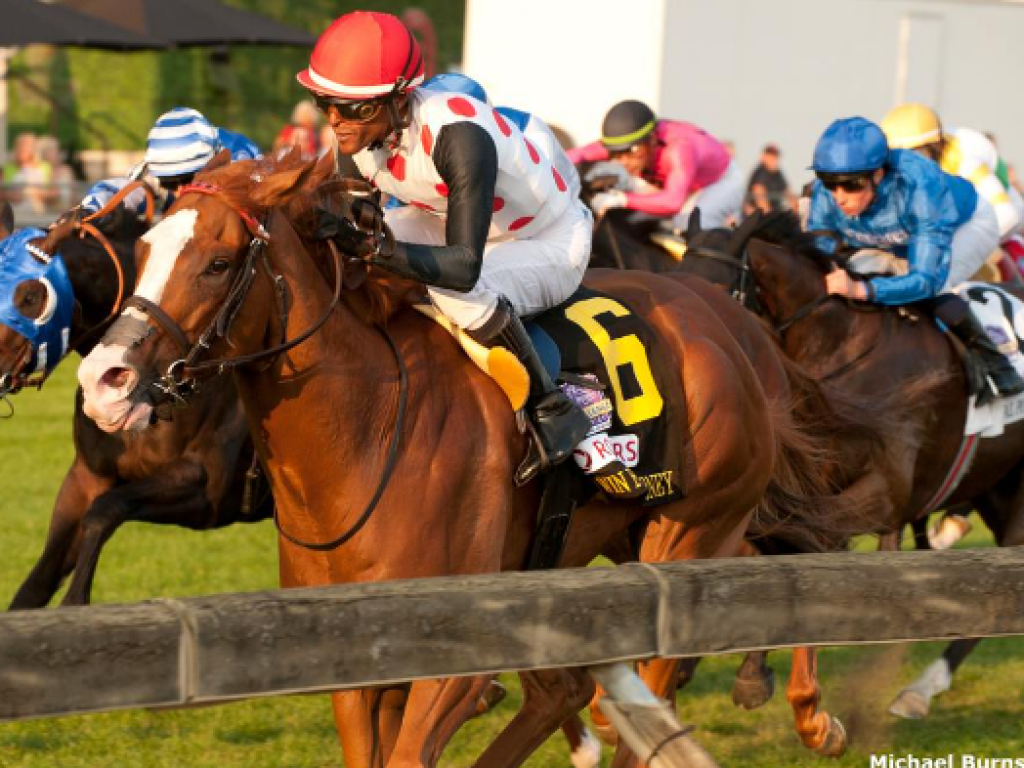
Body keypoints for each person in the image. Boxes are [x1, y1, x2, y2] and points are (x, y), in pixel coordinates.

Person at [297, 10, 592, 484]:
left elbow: (462, 268)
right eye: (323, 102)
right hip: (458, 222)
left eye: (354, 108)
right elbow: (354, 223)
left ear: (399, 99)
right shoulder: (356, 136)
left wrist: (369, 247)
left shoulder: (458, 134)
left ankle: (551, 407)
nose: (336, 120)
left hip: (548, 241)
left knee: (452, 293)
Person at [806, 116, 1024, 401]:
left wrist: (863, 289)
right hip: (902, 234)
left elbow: (923, 280)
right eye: (830, 183)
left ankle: (996, 365)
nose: (839, 197)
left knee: (932, 287)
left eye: (851, 185)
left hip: (967, 225)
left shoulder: (921, 188)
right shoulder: (827, 194)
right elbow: (818, 255)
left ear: (878, 174)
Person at [565, 100, 742, 229]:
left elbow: (673, 203)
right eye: (617, 153)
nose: (624, 161)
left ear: (651, 139)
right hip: (680, 186)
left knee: (685, 222)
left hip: (719, 183)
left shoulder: (679, 148)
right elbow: (576, 155)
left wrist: (622, 199)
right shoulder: (631, 144)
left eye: (633, 151)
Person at [81, 107, 261, 219]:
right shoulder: (152, 173)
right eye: (170, 183)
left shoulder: (244, 161)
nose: (180, 191)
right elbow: (119, 191)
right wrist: (87, 210)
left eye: (187, 179)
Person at [881, 104, 1024, 243]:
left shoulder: (966, 160)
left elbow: (1007, 217)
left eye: (911, 153)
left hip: (1004, 212)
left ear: (934, 146)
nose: (904, 163)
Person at [745, 143, 794, 215]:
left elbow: (789, 194)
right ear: (763, 157)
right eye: (771, 156)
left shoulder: (777, 173)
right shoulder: (761, 172)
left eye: (775, 157)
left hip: (773, 213)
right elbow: (760, 199)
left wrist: (797, 210)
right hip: (758, 217)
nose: (773, 160)